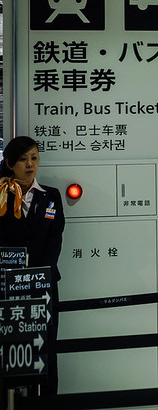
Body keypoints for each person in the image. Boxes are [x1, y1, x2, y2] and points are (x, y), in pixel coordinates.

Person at [0, 136, 65, 396]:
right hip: (7, 285)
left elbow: (55, 237)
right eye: (24, 159)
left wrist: (40, 275)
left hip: (44, 284)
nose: (30, 164)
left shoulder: (51, 196)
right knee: (10, 347)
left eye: (34, 158)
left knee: (47, 347)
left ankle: (47, 400)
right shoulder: (1, 195)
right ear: (9, 163)